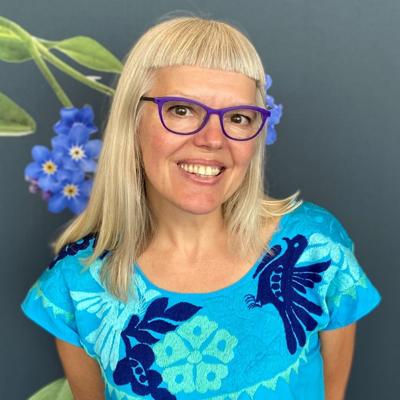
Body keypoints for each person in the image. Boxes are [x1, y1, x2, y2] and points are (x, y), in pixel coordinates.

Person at [21, 16, 381, 400]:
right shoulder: (77, 282)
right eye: (181, 110)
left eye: (238, 118)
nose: (212, 139)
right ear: (133, 120)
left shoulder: (317, 248)